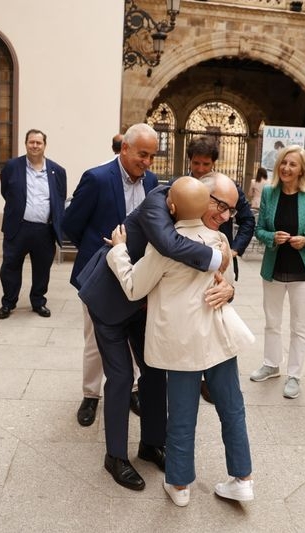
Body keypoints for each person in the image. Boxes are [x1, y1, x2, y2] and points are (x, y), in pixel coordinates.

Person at [74, 178, 233, 492]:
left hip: (142, 304)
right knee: (120, 377)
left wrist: (228, 286)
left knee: (154, 371)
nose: (223, 215)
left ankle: (151, 443)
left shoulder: (198, 219)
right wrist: (216, 257)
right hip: (110, 299)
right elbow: (168, 244)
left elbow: (211, 276)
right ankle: (115, 456)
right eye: (220, 206)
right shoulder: (159, 201)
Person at [106, 175, 254, 507]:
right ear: (205, 202)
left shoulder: (163, 247)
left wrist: (118, 252)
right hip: (218, 338)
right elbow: (222, 276)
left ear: (172, 207)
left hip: (181, 343)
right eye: (221, 206)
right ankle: (242, 478)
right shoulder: (217, 241)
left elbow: (134, 288)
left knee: (183, 414)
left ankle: (180, 485)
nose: (226, 215)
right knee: (232, 408)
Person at [63, 124, 159, 427]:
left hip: (137, 274)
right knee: (95, 339)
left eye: (152, 156)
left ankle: (130, 389)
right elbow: (70, 224)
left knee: (133, 337)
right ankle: (91, 395)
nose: (147, 162)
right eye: (142, 154)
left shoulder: (153, 181)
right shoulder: (97, 178)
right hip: (101, 275)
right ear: (125, 148)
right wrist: (97, 254)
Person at [249, 145, 305, 399]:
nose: (286, 168)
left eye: (292, 164)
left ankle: (294, 375)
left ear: (301, 169)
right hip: (274, 268)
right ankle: (272, 364)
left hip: (303, 272)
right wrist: (272, 236)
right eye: (283, 163)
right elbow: (259, 229)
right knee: (272, 322)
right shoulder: (270, 193)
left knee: (299, 326)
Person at [185, 135, 254, 404]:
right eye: (196, 163)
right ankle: (193, 374)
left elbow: (247, 221)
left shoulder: (229, 188)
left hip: (221, 262)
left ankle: (210, 377)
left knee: (217, 318)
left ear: (214, 163)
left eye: (205, 164)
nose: (200, 169)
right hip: (190, 261)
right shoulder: (184, 185)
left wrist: (234, 249)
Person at [0, 129, 67, 319]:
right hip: (18, 228)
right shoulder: (12, 166)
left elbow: (59, 199)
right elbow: (6, 192)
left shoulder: (57, 171)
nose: (35, 146)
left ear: (45, 145)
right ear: (25, 143)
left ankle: (38, 301)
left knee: (42, 268)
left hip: (44, 230)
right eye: (31, 142)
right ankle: (8, 302)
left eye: (39, 142)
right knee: (10, 266)